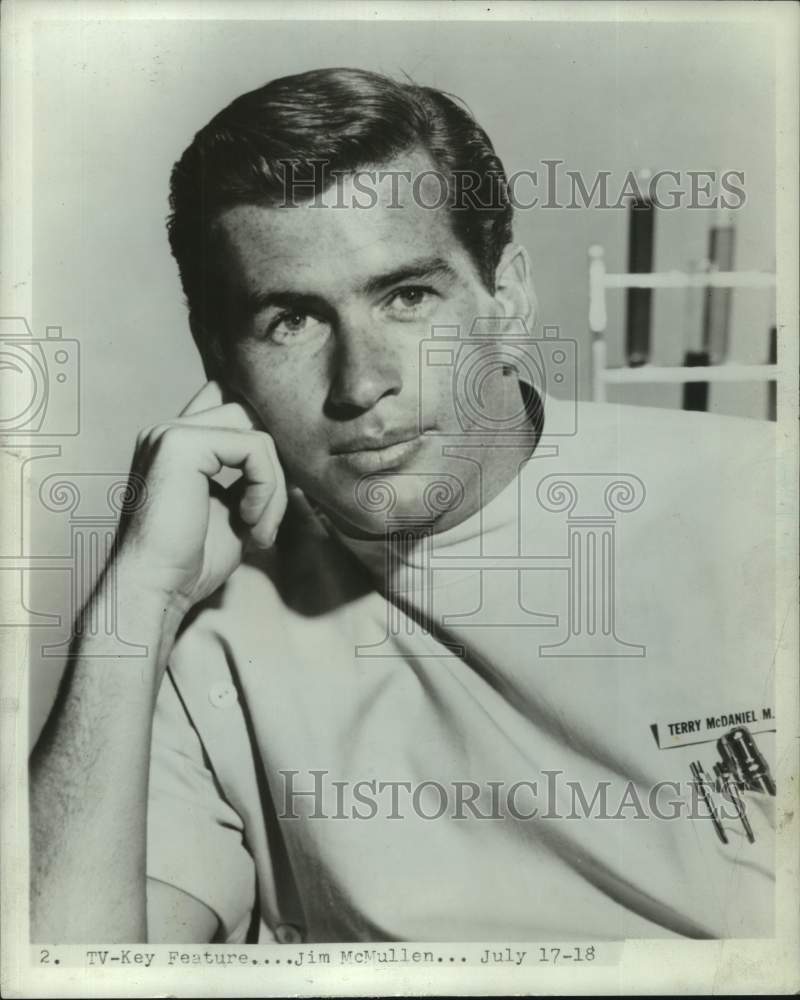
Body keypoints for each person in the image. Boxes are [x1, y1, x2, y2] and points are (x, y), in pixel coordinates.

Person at [30, 68, 776, 945]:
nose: (362, 383)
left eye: (408, 297)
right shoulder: (197, 629)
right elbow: (69, 968)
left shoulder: (761, 505)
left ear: (508, 298)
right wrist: (133, 605)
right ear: (215, 356)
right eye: (290, 321)